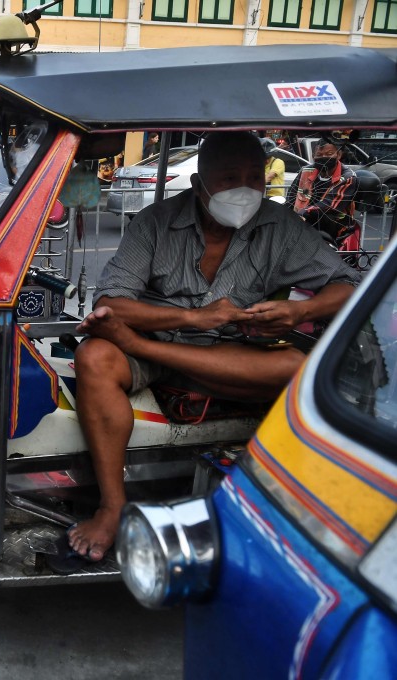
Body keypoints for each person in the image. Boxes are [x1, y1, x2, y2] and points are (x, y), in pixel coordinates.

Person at [68, 132, 360, 562]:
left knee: (296, 368)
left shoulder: (278, 226)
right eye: (228, 178)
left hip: (227, 352)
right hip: (158, 344)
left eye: (253, 178)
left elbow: (349, 287)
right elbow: (111, 303)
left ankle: (156, 355)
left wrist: (300, 312)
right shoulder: (155, 222)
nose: (243, 189)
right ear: (198, 183)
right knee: (94, 356)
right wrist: (193, 318)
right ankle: (112, 506)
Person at [284, 139, 359, 246]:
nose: (323, 157)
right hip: (301, 228)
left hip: (333, 232)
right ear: (314, 155)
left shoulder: (347, 177)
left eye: (329, 154)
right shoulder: (305, 172)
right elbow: (291, 198)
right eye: (319, 154)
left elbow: (330, 205)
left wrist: (304, 213)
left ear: (339, 155)